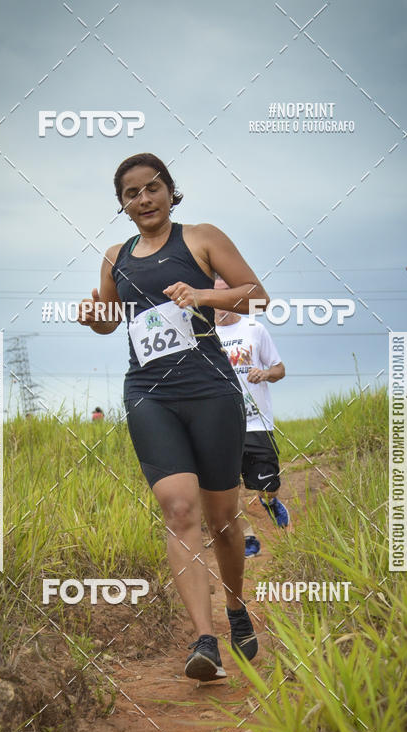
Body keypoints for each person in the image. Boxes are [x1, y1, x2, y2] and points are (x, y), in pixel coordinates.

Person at [78, 152, 270, 681]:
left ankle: (235, 607)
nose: (143, 199)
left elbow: (259, 297)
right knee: (179, 509)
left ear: (169, 190)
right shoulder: (116, 256)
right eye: (131, 194)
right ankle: (204, 641)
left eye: (152, 188)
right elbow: (112, 321)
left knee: (223, 523)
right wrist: (96, 318)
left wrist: (204, 293)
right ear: (122, 205)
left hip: (210, 390)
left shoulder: (202, 238)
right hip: (148, 393)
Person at [214, 282, 289, 558]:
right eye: (215, 294)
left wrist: (265, 374)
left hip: (258, 424)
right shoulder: (204, 336)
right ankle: (248, 538)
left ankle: (269, 503)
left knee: (268, 485)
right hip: (222, 427)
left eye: (227, 293)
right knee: (226, 492)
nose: (221, 300)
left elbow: (280, 369)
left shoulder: (254, 330)